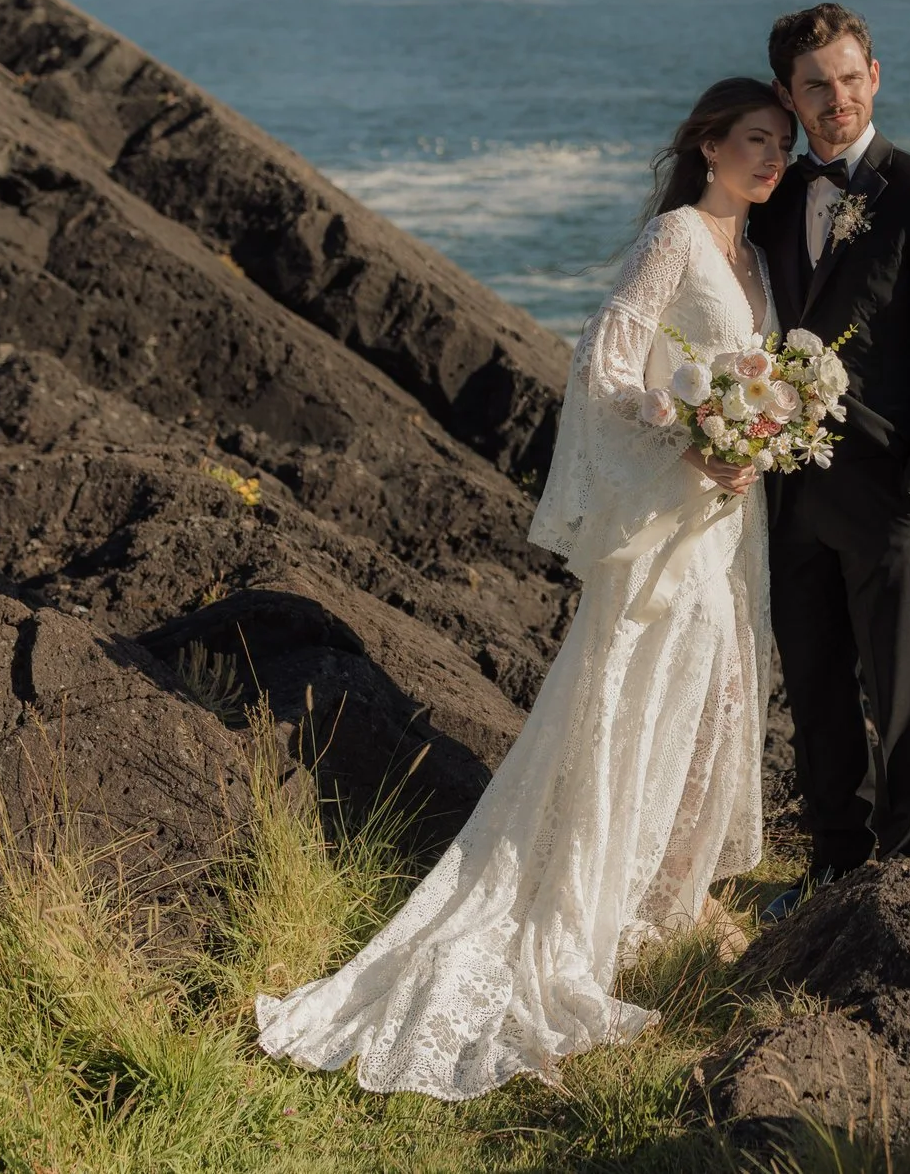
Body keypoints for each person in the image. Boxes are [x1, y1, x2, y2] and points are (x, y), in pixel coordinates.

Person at [256, 77, 793, 1101]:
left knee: (705, 699)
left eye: (783, 143)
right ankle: (584, 909)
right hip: (671, 519)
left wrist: (757, 437)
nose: (772, 156)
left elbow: (744, 377)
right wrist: (692, 435)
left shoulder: (755, 255)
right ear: (709, 143)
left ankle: (657, 901)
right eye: (756, 138)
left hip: (728, 522)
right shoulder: (677, 234)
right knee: (634, 697)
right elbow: (605, 361)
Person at [754, 3, 910, 904]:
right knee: (813, 689)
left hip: (894, 495)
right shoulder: (776, 204)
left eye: (850, 78)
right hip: (792, 495)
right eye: (815, 84)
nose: (836, 97)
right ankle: (833, 863)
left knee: (904, 696)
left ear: (875, 77)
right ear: (789, 94)